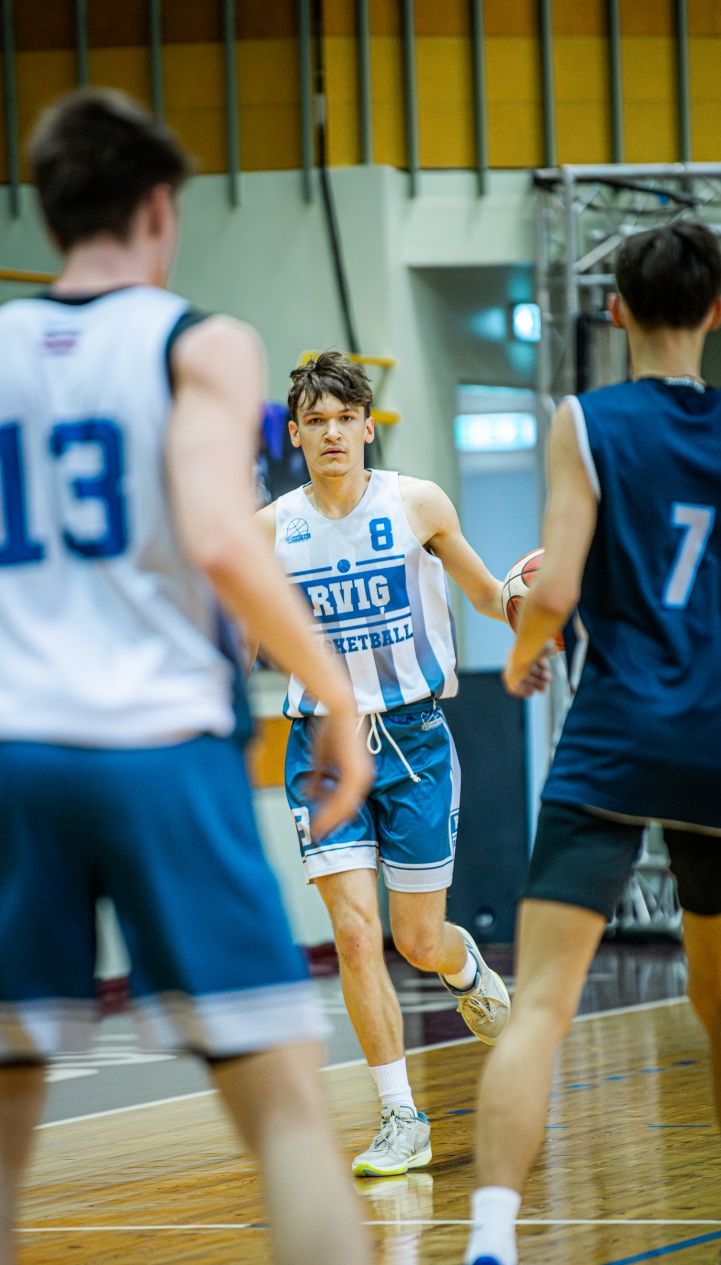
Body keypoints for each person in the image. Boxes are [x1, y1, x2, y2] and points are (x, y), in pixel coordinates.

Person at [0, 90, 395, 1265]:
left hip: (16, 765)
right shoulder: (199, 342)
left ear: (49, 213)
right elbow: (222, 539)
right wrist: (334, 691)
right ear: (161, 209)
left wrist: (8, 648)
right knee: (287, 1120)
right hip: (164, 756)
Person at [454, 220, 721, 1265]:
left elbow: (556, 589)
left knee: (540, 1006)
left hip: (613, 742)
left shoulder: (586, 422)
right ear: (717, 311)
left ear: (615, 310)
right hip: (720, 756)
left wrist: (525, 651)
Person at [255, 351, 541, 1179]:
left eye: (345, 418)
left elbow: (485, 593)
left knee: (415, 940)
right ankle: (399, 1116)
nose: (332, 433)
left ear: (367, 427)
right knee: (354, 935)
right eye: (316, 421)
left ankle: (465, 965)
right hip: (321, 744)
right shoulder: (270, 529)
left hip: (414, 738)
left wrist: (527, 604)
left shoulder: (417, 502)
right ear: (295, 434)